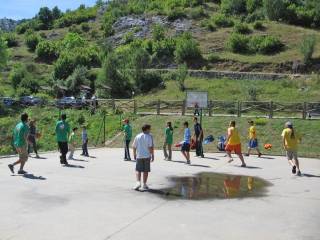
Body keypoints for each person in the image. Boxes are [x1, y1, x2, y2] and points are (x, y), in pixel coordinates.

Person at [132, 124, 154, 191]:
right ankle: (144, 184)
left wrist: (134, 154)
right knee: (145, 171)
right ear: (146, 129)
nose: (150, 130)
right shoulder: (149, 137)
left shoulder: (138, 136)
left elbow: (134, 146)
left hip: (139, 155)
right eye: (149, 129)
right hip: (147, 156)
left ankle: (138, 182)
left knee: (138, 170)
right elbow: (150, 147)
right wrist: (152, 155)